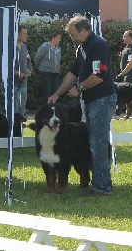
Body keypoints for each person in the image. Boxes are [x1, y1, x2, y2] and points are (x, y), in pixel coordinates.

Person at [48, 15, 116, 197]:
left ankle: (102, 187)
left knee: (97, 142)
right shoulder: (82, 48)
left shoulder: (98, 45)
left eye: (73, 34)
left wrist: (79, 88)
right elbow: (73, 72)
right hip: (90, 100)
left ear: (84, 30)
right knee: (93, 140)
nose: (71, 38)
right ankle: (100, 182)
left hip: (101, 99)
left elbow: (99, 75)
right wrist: (57, 93)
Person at [34, 30, 62, 101]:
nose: (60, 40)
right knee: (47, 91)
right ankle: (45, 109)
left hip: (55, 73)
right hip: (46, 72)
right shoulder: (44, 47)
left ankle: (54, 109)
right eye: (58, 38)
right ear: (53, 38)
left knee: (56, 91)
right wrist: (40, 68)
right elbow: (37, 58)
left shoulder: (58, 49)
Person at [14, 25, 31, 120]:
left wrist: (29, 70)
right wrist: (17, 73)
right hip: (15, 86)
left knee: (22, 111)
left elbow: (29, 61)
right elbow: (2, 67)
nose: (26, 36)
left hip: (24, 85)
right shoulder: (10, 48)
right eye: (24, 33)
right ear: (17, 34)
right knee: (15, 113)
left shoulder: (24, 47)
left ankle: (20, 132)